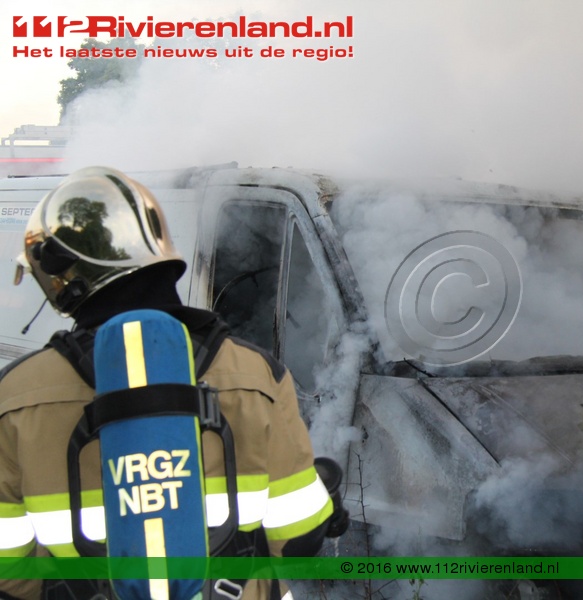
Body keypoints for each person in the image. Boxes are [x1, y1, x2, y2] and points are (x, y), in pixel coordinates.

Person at [0, 166, 346, 600]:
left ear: (63, 276)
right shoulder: (258, 375)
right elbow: (296, 541)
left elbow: (8, 571)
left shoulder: (17, 395)